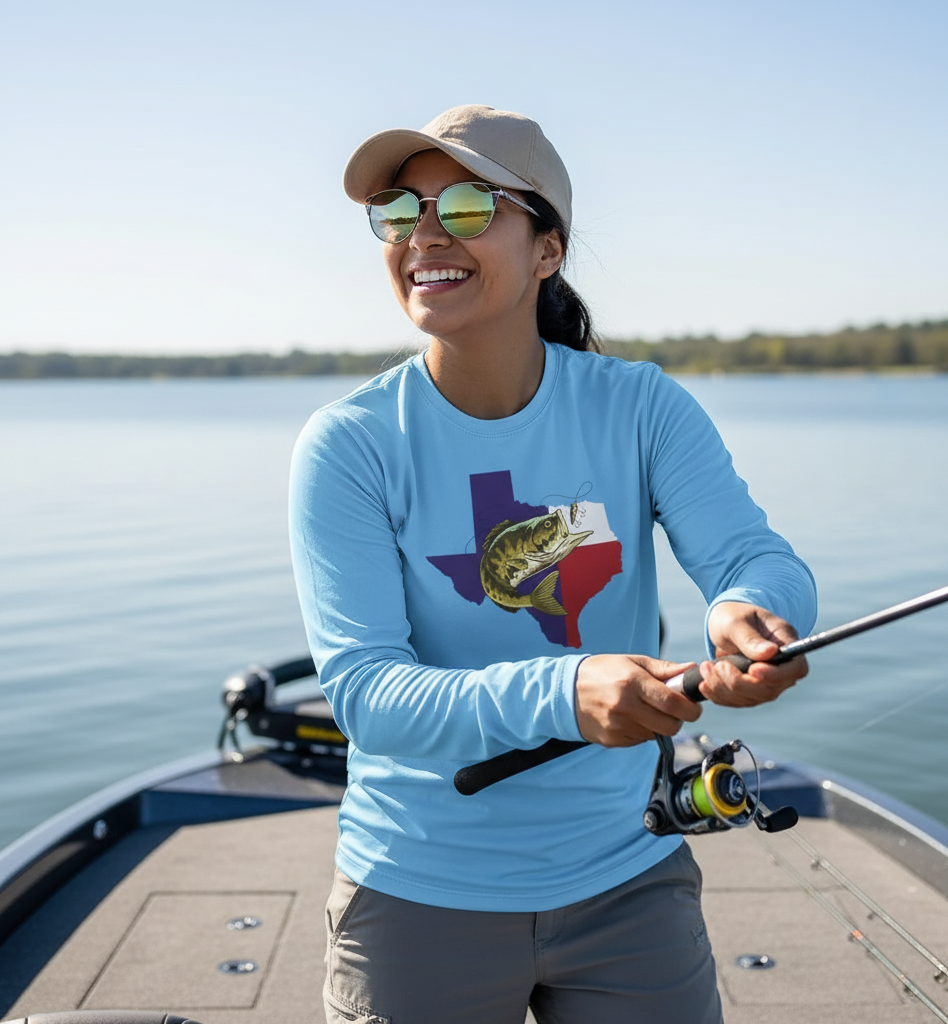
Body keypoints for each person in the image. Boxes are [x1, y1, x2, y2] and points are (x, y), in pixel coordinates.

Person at [289, 104, 816, 1024]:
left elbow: (750, 555)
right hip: (417, 889)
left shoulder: (643, 407)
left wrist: (749, 610)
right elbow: (367, 694)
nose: (422, 235)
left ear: (548, 250)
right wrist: (568, 690)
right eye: (398, 210)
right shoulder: (350, 445)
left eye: (464, 207)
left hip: (629, 874)